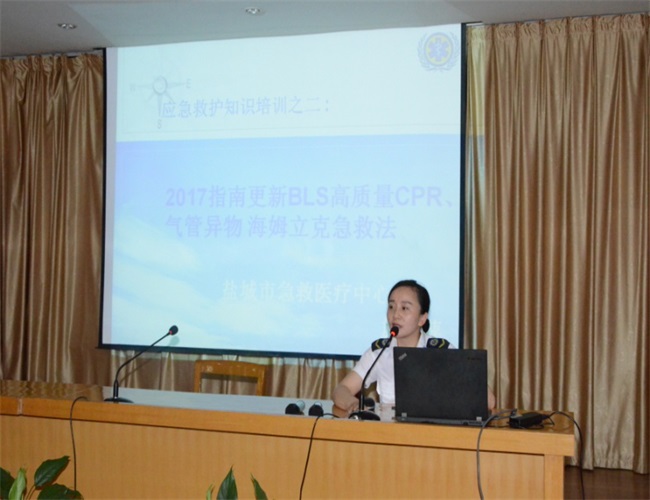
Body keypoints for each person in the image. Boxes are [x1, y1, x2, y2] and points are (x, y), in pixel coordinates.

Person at [332, 279, 496, 416]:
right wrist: (352, 403)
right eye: (391, 307)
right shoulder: (379, 352)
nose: (395, 314)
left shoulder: (441, 351)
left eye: (405, 308)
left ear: (422, 319)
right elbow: (341, 389)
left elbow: (488, 401)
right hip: (388, 435)